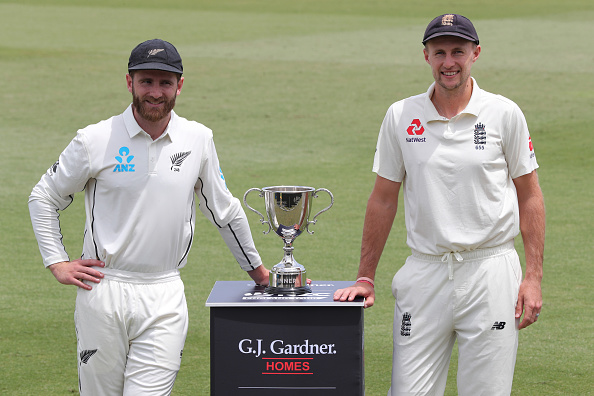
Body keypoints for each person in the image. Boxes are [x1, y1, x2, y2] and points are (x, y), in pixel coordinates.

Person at [28, 39, 269, 395]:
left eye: (165, 83)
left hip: (164, 293)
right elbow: (44, 195)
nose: (155, 92)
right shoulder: (94, 139)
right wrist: (57, 262)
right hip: (103, 290)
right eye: (146, 82)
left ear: (180, 86)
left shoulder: (198, 139)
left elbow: (224, 211)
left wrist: (260, 273)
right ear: (130, 83)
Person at [334, 14, 545, 395]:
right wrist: (366, 276)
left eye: (458, 52)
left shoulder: (504, 113)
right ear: (427, 56)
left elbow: (530, 194)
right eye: (440, 52)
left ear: (475, 54)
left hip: (490, 272)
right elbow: (383, 199)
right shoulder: (401, 115)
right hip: (425, 271)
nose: (450, 62)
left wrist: (533, 277)